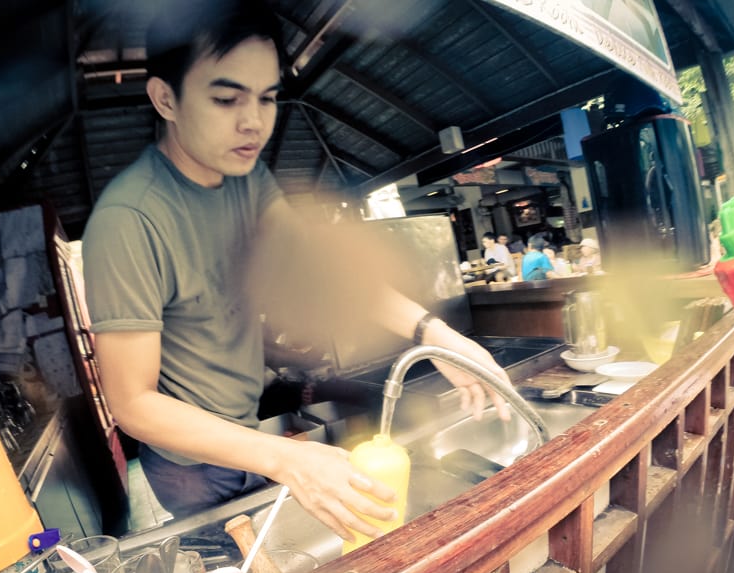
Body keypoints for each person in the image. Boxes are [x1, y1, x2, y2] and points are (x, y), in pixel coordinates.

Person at [80, 0, 514, 543]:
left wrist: (438, 336)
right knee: (241, 568)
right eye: (226, 97)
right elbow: (131, 403)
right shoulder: (128, 220)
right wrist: (285, 457)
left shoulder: (245, 175)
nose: (254, 122)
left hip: (246, 427)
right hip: (189, 463)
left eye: (267, 98)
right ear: (165, 98)